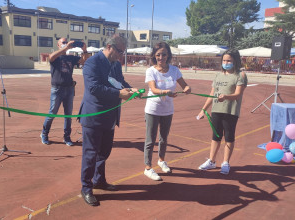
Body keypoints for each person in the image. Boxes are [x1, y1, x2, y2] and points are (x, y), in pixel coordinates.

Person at [78, 34, 140, 206]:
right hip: (93, 116)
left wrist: (130, 89)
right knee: (90, 154)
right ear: (109, 46)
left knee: (104, 152)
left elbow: (119, 82)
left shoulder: (115, 65)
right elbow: (94, 87)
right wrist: (119, 93)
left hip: (110, 115)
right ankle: (86, 187)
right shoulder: (92, 62)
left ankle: (99, 180)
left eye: (123, 52)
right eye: (119, 51)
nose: (121, 55)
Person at [143, 42, 191, 181]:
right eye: (158, 55)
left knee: (164, 138)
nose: (161, 57)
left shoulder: (174, 70)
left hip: (168, 110)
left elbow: (184, 85)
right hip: (153, 109)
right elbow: (153, 89)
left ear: (168, 55)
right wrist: (166, 92)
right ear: (154, 56)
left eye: (164, 54)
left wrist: (187, 88)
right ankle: (147, 167)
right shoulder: (151, 71)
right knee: (150, 139)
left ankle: (161, 160)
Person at [197, 49, 247, 175]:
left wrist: (225, 96)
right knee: (216, 136)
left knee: (229, 137)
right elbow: (212, 94)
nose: (226, 62)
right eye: (224, 60)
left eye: (229, 60)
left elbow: (237, 95)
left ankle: (225, 162)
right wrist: (203, 110)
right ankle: (212, 161)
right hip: (216, 110)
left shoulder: (240, 75)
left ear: (235, 61)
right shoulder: (218, 75)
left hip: (230, 111)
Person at [40, 38, 90, 146]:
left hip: (69, 89)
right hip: (57, 89)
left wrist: (84, 49)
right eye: (63, 42)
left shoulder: (71, 58)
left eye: (66, 42)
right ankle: (44, 133)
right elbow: (51, 57)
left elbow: (85, 60)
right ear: (58, 45)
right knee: (52, 113)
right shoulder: (55, 57)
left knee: (68, 115)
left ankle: (67, 137)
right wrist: (66, 48)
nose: (65, 44)